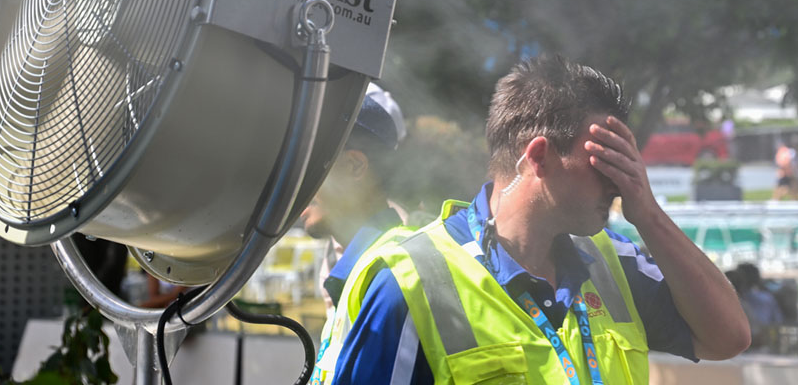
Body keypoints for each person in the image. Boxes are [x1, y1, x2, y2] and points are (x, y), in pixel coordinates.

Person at [330, 54, 751, 384]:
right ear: (539, 157)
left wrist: (650, 216)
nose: (621, 185)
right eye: (605, 163)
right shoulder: (412, 282)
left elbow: (729, 337)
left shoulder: (614, 266)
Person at [301, 83, 411, 384]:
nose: (295, 183)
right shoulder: (358, 271)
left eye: (308, 164)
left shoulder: (389, 279)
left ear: (354, 166)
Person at [772, 136, 798, 200]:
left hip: (785, 174)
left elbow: (783, 163)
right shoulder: (787, 151)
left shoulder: (783, 151)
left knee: (790, 190)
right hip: (787, 174)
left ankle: (796, 203)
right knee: (791, 190)